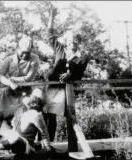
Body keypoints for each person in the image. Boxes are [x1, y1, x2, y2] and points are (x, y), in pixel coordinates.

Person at [0, 37, 40, 150]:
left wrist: (12, 79)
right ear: (18, 49)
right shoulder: (9, 59)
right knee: (0, 117)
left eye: (28, 53)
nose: (25, 55)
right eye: (23, 52)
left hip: (24, 95)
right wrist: (10, 84)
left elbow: (28, 77)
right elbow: (0, 75)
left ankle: (22, 144)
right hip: (9, 94)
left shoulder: (34, 58)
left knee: (20, 121)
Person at [43, 8, 90, 148]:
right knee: (48, 116)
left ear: (78, 41)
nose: (71, 42)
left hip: (66, 89)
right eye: (69, 39)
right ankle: (47, 145)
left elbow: (79, 75)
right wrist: (51, 16)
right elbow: (49, 34)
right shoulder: (60, 49)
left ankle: (72, 146)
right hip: (52, 85)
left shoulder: (82, 57)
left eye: (74, 40)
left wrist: (71, 74)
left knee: (69, 117)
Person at [0, 88, 51, 158]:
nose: (28, 97)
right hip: (12, 137)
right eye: (30, 96)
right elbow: (3, 113)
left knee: (16, 138)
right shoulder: (20, 107)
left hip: (24, 145)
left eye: (32, 97)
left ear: (35, 104)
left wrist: (48, 151)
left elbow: (45, 134)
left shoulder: (37, 115)